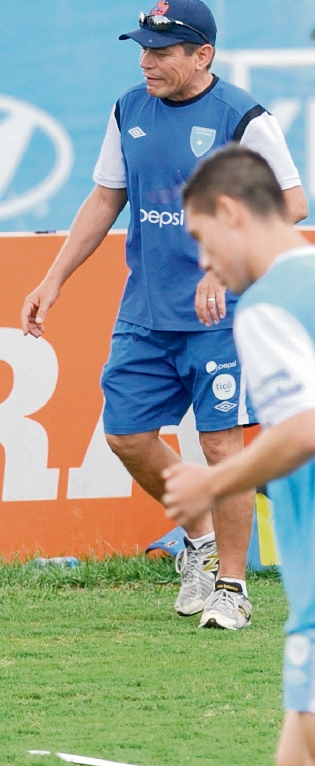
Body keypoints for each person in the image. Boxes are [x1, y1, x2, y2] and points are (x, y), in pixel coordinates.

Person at [20, 0, 307, 630]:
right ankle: (199, 543)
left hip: (221, 310)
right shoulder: (129, 109)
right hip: (145, 309)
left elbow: (293, 201)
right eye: (143, 50)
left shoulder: (243, 118)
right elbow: (105, 197)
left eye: (163, 52)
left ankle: (232, 586)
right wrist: (53, 278)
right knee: (125, 435)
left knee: (221, 443)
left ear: (202, 55)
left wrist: (221, 256)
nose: (147, 62)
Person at [161, 145, 315, 765]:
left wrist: (212, 482)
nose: (203, 260)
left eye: (200, 237)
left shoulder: (267, 306)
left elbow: (303, 427)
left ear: (230, 213)